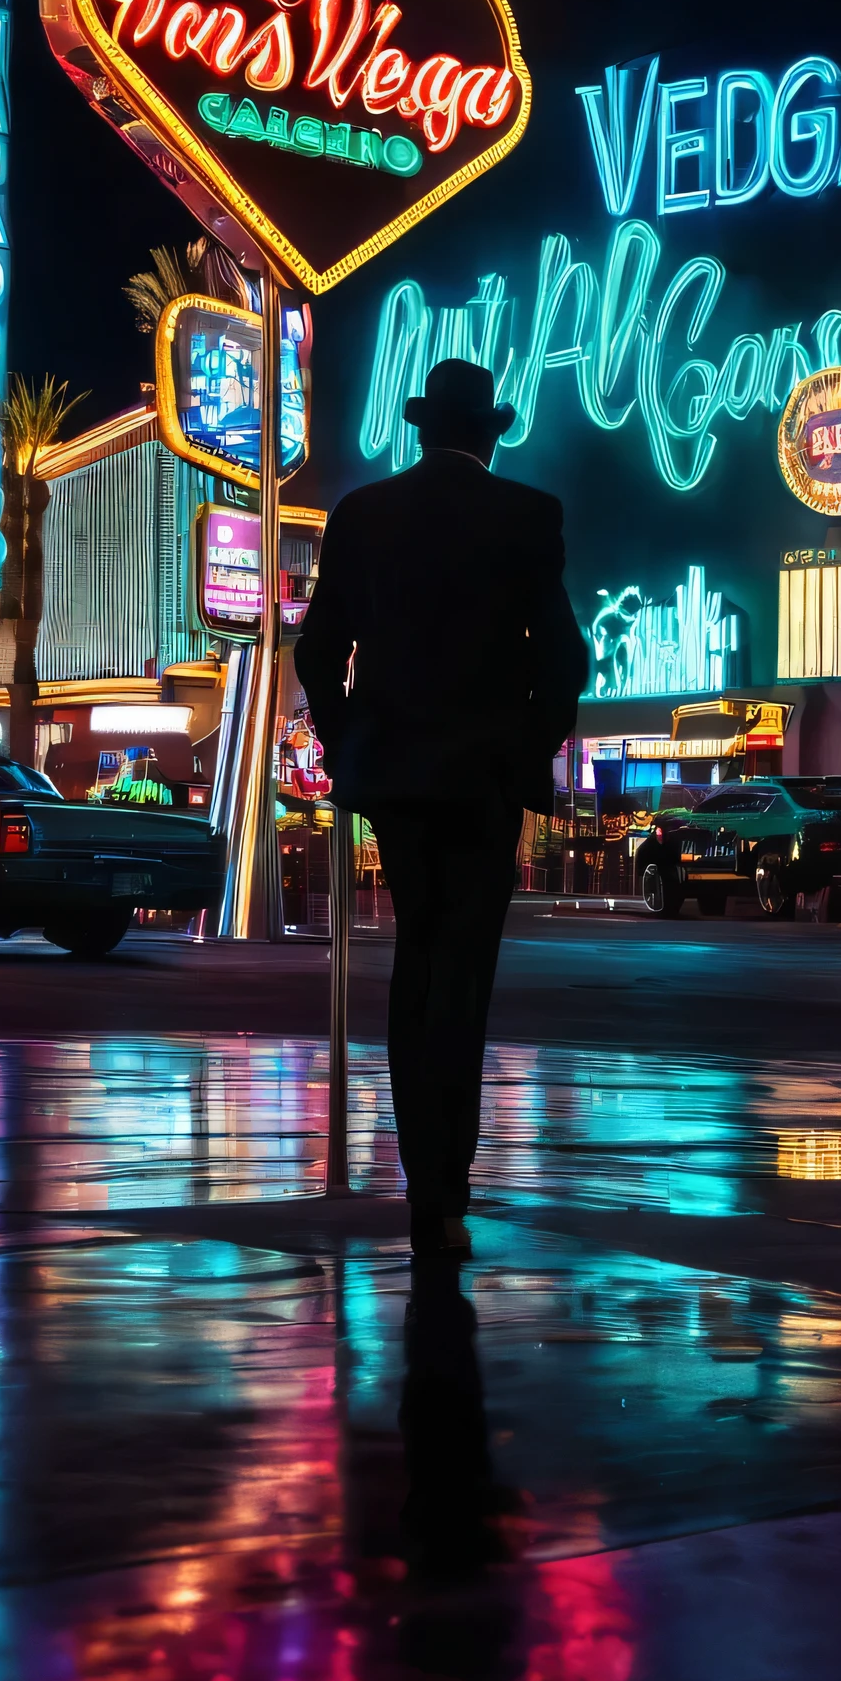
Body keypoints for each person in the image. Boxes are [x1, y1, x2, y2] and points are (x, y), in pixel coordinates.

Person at [293, 358, 589, 1256]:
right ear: (490, 432)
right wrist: (527, 744)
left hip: (397, 782)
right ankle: (444, 1188)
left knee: (415, 966)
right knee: (465, 975)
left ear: (421, 429)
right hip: (485, 783)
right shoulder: (528, 517)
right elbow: (566, 659)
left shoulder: (362, 516)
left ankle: (426, 1178)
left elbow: (317, 655)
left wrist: (351, 747)